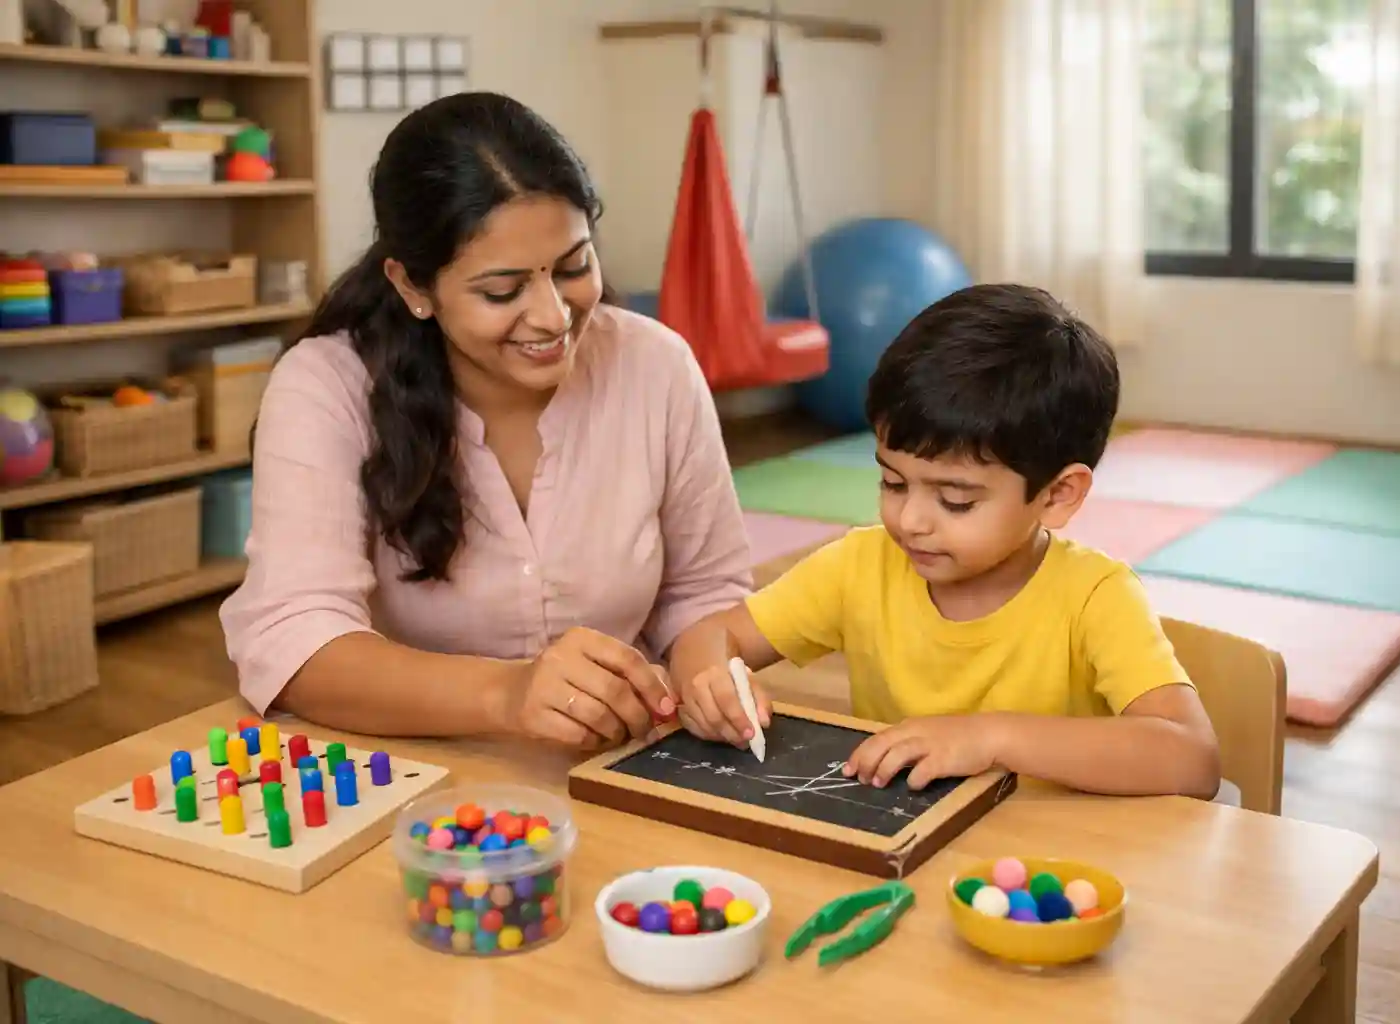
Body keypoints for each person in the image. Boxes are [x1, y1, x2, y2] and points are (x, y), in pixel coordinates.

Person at [220, 92, 755, 751]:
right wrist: (509, 693)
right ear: (413, 287)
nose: (554, 317)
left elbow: (705, 591)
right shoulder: (326, 386)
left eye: (574, 267)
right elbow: (294, 640)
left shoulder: (655, 365)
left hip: (620, 764)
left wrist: (709, 669)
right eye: (502, 292)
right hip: (412, 771)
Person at [666, 284, 1222, 799]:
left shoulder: (1095, 596)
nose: (909, 520)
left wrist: (992, 738)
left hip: (1043, 874)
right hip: (909, 850)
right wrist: (710, 682)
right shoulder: (860, 566)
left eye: (955, 501)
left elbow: (1192, 759)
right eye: (892, 481)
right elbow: (710, 636)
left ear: (1057, 495)